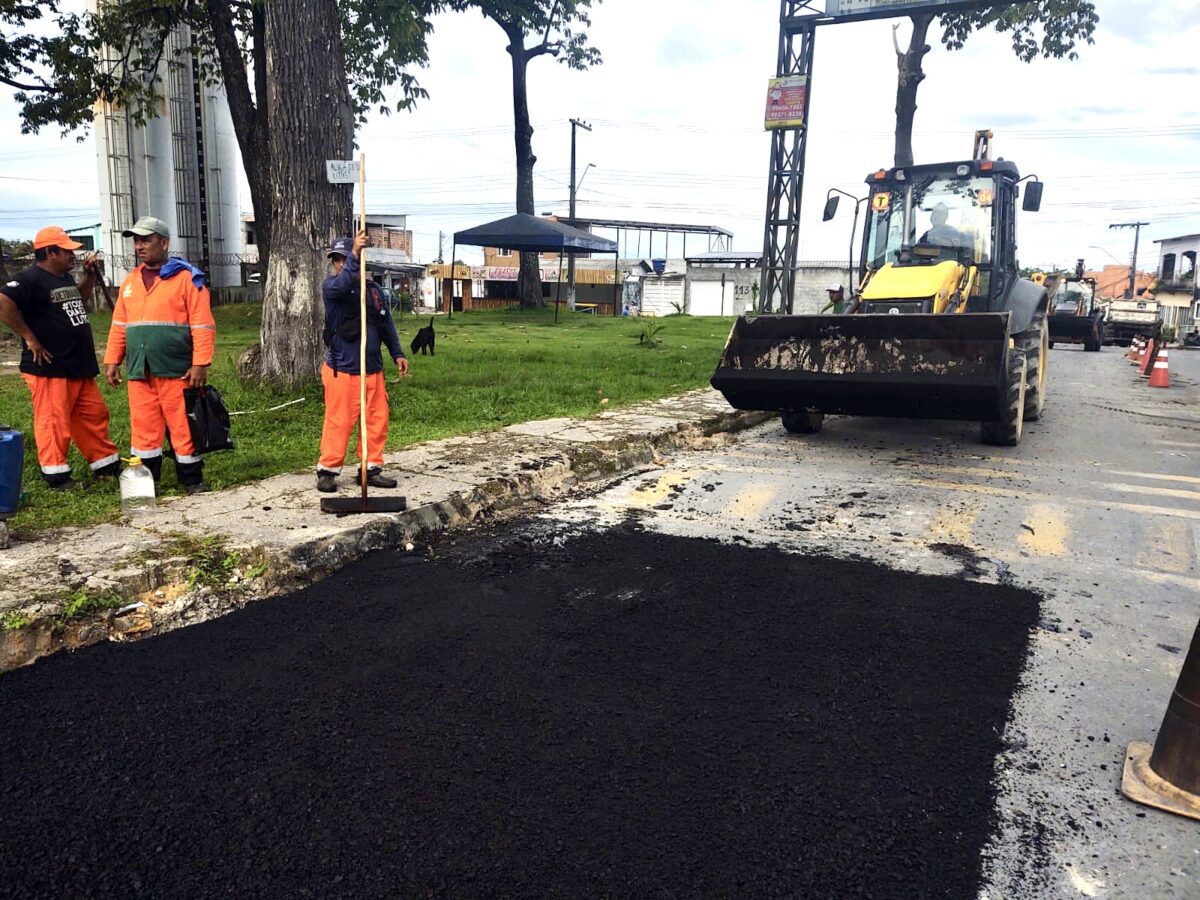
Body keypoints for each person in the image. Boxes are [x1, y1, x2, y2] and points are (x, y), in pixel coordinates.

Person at [0, 226, 120, 490]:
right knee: (53, 423)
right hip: (50, 366)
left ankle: (106, 465)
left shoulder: (63, 278)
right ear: (50, 253)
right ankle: (57, 476)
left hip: (77, 365)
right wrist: (29, 338)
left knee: (93, 416)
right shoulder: (29, 279)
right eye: (66, 251)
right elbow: (3, 302)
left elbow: (78, 299)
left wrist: (89, 277)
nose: (72, 256)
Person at [103, 216, 215, 494]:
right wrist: (112, 359)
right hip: (141, 369)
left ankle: (191, 479)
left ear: (163, 243)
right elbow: (120, 324)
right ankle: (146, 480)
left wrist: (200, 363)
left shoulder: (188, 279)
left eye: (146, 240)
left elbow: (203, 325)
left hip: (177, 368)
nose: (139, 246)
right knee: (143, 427)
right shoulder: (129, 282)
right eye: (136, 241)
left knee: (182, 424)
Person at [316, 231, 409, 493]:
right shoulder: (332, 288)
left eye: (346, 259)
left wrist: (397, 353)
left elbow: (386, 324)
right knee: (339, 421)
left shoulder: (375, 292)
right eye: (338, 260)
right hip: (342, 371)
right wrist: (354, 253)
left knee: (376, 420)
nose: (341, 264)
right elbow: (345, 282)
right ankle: (328, 471)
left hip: (373, 371)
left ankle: (371, 469)